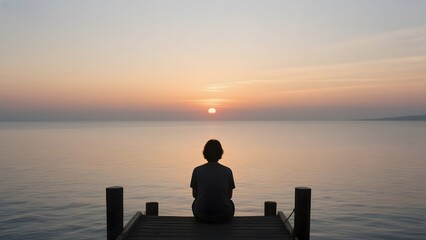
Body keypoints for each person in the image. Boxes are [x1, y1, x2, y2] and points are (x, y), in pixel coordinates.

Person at [190, 139, 235, 223]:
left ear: (205, 153)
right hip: (224, 216)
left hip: (201, 216)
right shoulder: (227, 171)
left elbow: (195, 195)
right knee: (231, 203)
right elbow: (229, 195)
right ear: (221, 153)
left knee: (195, 202)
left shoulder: (197, 170)